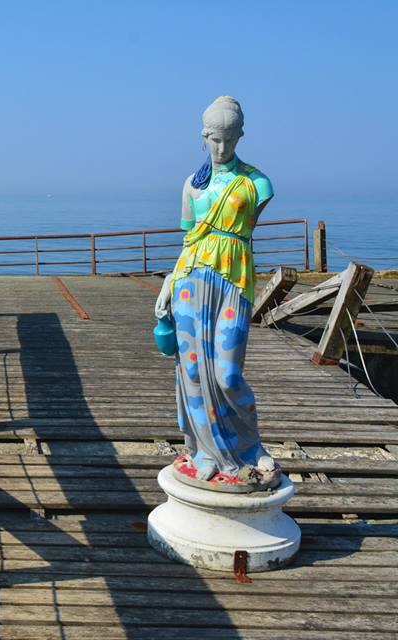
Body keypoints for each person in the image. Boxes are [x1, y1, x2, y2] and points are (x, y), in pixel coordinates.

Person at [154, 96, 279, 489]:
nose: (222, 148)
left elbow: (243, 232)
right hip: (191, 280)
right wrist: (168, 283)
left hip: (233, 280)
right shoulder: (192, 185)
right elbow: (190, 240)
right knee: (191, 370)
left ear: (240, 136)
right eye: (214, 139)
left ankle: (249, 447)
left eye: (229, 139)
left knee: (226, 373)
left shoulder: (256, 183)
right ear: (204, 136)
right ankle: (203, 450)